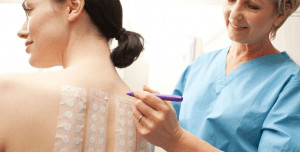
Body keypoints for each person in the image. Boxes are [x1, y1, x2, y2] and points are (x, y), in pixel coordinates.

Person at [132, 0, 300, 151]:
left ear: (280, 15)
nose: (234, 13)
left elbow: (174, 136)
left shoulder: (290, 82)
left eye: (252, 6)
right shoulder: (201, 64)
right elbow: (171, 126)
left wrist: (176, 139)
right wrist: (156, 115)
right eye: (231, 0)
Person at [0, 0, 154, 151]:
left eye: (29, 10)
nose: (21, 31)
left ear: (73, 7)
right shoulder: (150, 120)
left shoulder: (8, 93)